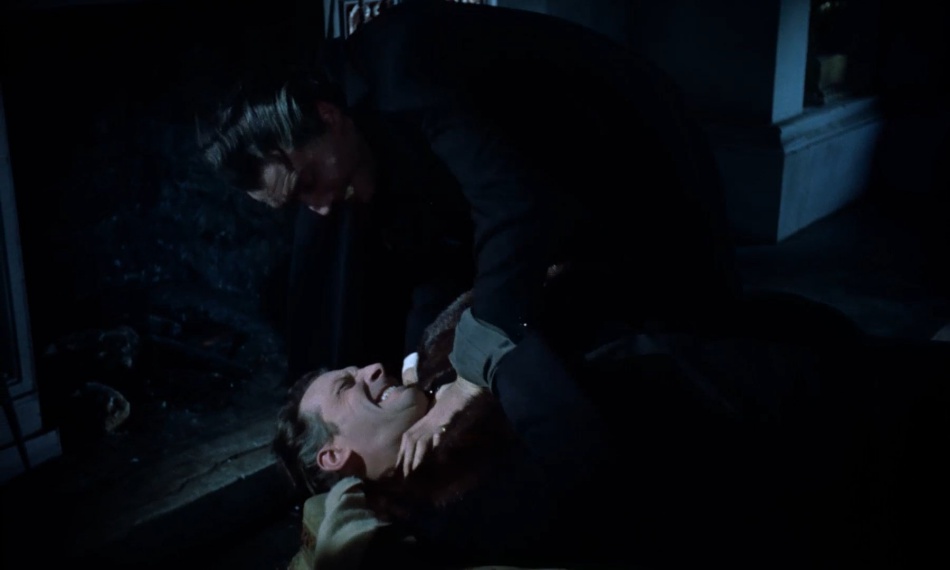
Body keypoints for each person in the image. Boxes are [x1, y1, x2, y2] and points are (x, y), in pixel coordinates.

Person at [199, 0, 741, 388]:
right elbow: (433, 262)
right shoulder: (362, 147)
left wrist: (472, 370)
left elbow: (515, 208)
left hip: (631, 146)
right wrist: (417, 369)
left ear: (326, 116)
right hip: (558, 181)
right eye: (296, 203)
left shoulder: (406, 64)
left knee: (684, 339)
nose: (318, 207)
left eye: (307, 183)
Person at [273, 279, 950, 570]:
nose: (370, 368)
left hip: (778, 358)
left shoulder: (436, 377)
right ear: (333, 457)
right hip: (805, 434)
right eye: (347, 386)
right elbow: (587, 466)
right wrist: (490, 368)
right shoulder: (442, 503)